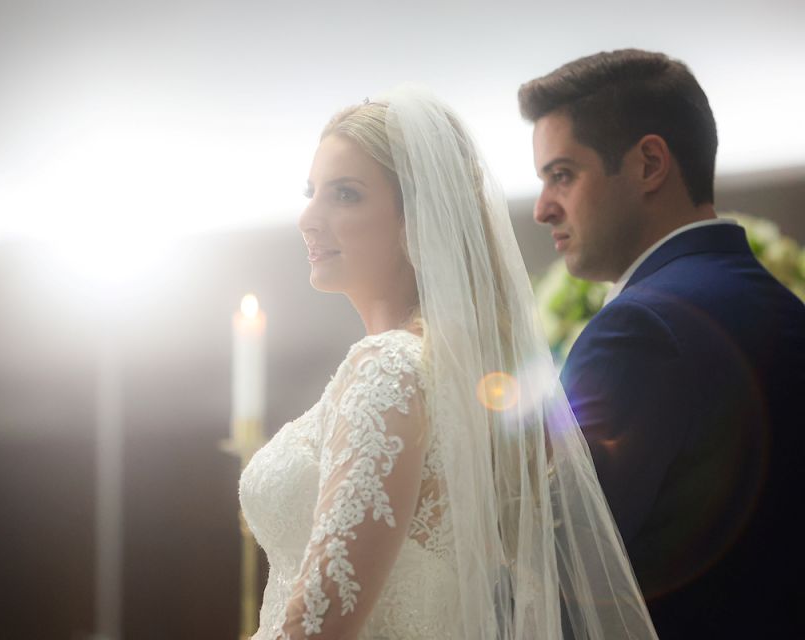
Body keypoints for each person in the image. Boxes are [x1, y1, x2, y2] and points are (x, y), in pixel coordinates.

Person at [238, 86, 657, 639]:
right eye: (311, 191)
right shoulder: (445, 370)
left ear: (418, 218)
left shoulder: (386, 367)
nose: (308, 218)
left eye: (344, 194)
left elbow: (323, 618)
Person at [520, 49, 805, 638]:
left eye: (562, 175)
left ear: (650, 163)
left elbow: (561, 574)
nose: (543, 207)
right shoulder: (785, 310)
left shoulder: (637, 330)